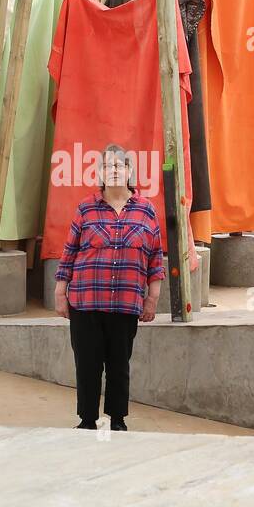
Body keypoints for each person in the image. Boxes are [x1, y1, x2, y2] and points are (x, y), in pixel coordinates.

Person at [54, 143, 164, 431]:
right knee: (88, 365)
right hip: (86, 302)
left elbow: (155, 258)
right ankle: (87, 420)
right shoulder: (86, 208)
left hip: (125, 303)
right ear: (100, 173)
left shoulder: (146, 210)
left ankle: (117, 420)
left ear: (129, 172)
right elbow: (69, 253)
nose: (114, 170)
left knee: (119, 365)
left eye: (119, 166)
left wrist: (152, 298)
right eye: (108, 166)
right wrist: (59, 293)